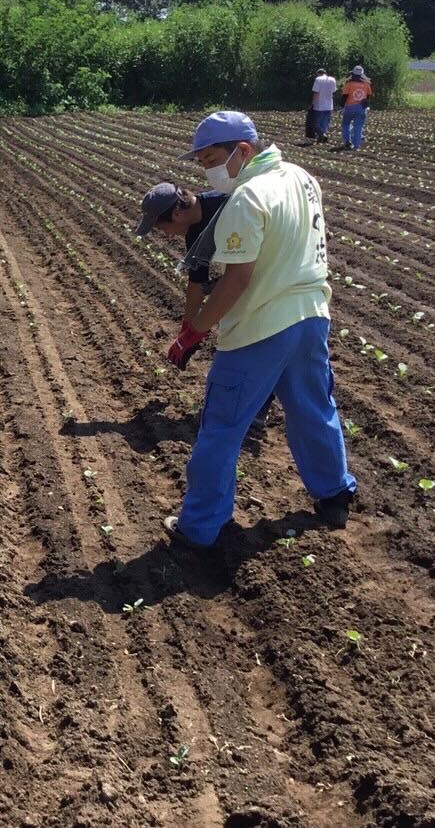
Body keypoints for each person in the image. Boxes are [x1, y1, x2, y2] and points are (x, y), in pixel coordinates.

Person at [161, 110, 356, 550]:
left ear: (243, 150)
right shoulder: (302, 176)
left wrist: (196, 330)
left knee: (222, 428)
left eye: (211, 158)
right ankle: (335, 494)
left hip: (261, 328)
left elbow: (236, 280)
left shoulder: (248, 197)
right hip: (311, 316)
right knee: (313, 408)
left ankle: (199, 528)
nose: (206, 170)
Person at [135, 182, 277, 433]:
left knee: (259, 335)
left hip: (274, 269)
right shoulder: (193, 230)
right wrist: (187, 330)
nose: (166, 234)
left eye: (162, 227)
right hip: (248, 274)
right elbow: (197, 282)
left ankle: (257, 407)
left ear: (177, 214)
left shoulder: (229, 205)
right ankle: (256, 407)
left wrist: (197, 329)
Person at [339, 65, 372, 151]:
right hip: (361, 108)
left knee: (346, 124)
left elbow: (344, 96)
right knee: (358, 127)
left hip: (349, 107)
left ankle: (347, 141)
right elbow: (368, 96)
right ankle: (356, 146)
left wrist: (342, 107)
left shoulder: (349, 83)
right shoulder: (366, 84)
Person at [308, 68, 337, 143]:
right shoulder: (332, 79)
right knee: (325, 123)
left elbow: (315, 92)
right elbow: (333, 91)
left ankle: (322, 134)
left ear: (318, 73)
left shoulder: (318, 79)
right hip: (329, 105)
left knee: (316, 123)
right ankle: (321, 137)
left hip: (319, 105)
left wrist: (312, 103)